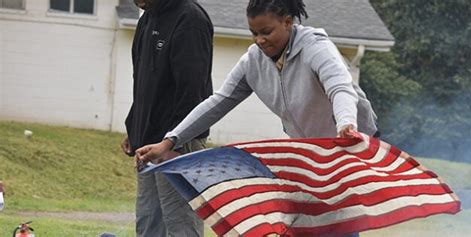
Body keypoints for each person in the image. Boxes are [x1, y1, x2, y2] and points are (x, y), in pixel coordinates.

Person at [136, 0, 378, 236]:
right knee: (301, 221)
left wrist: (347, 125)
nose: (260, 40)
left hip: (345, 146)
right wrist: (169, 141)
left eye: (266, 32)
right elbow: (217, 103)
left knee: (336, 220)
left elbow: (340, 88)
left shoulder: (316, 47)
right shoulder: (254, 60)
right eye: (254, 33)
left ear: (287, 22)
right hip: (307, 153)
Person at [120, 0, 213, 236]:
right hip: (149, 144)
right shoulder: (147, 18)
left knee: (180, 225)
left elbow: (194, 91)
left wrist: (175, 143)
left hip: (178, 147)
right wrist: (135, 128)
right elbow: (144, 82)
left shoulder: (190, 19)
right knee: (149, 224)